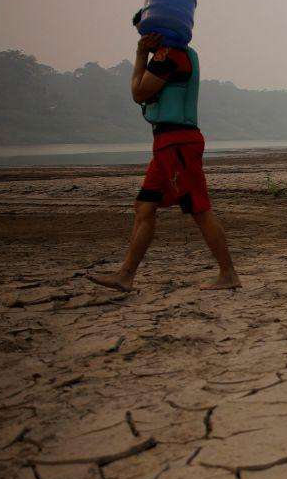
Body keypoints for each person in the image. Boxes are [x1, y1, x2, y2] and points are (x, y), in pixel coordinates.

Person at [87, 18, 240, 292]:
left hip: (178, 144)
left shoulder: (170, 55)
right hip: (166, 144)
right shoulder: (180, 54)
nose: (143, 35)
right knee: (144, 207)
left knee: (199, 209)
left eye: (144, 30)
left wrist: (139, 54)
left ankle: (228, 274)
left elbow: (138, 92)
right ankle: (125, 276)